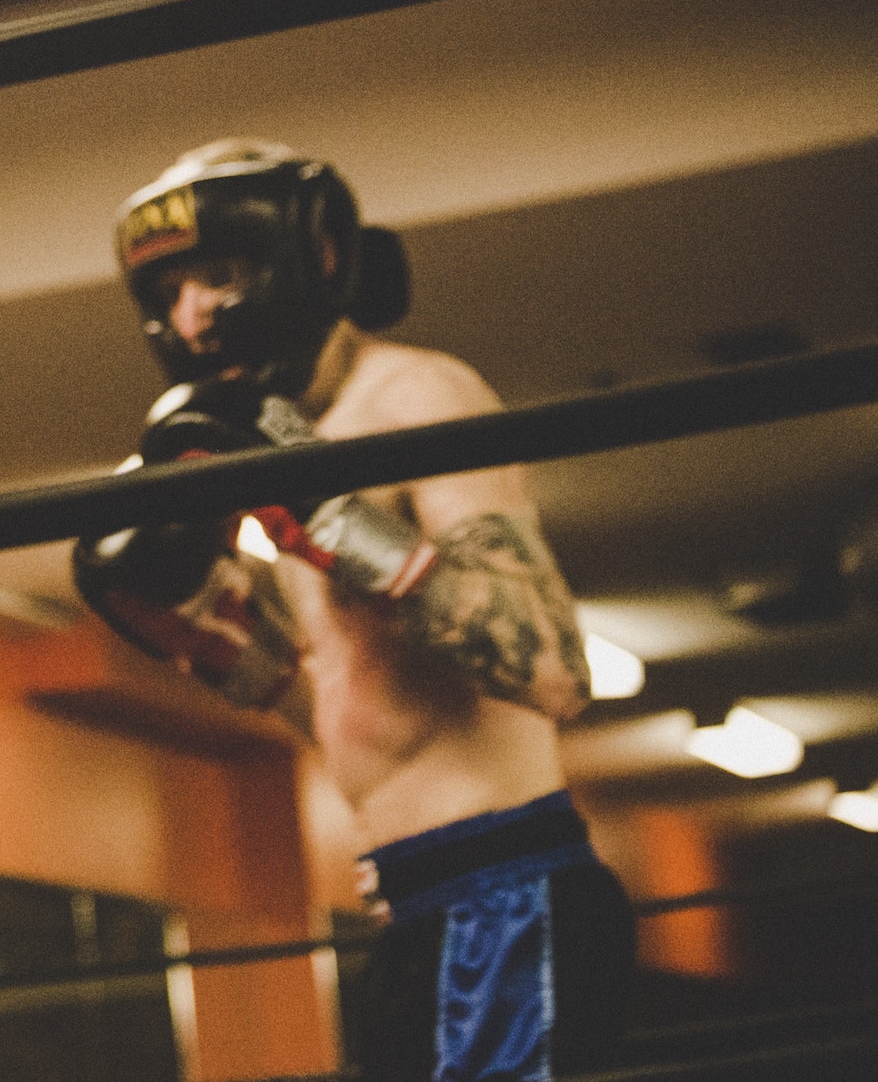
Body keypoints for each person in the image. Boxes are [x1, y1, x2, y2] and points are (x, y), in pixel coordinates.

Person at [76, 139, 634, 1081]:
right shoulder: (266, 439)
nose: (191, 312)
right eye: (165, 292)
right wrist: (225, 648)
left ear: (316, 257)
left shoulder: (416, 392)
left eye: (217, 273)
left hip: (505, 889)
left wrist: (342, 518)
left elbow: (554, 669)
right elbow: (356, 709)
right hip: (411, 907)